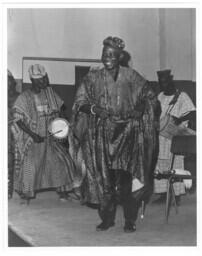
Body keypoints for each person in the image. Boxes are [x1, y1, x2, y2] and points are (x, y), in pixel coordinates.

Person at [69, 36, 159, 232]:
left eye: (111, 55)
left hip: (128, 135)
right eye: (104, 54)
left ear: (119, 57)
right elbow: (79, 103)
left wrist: (141, 109)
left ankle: (129, 220)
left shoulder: (132, 76)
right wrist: (94, 110)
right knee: (105, 181)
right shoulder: (92, 78)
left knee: (126, 181)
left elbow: (150, 97)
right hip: (102, 135)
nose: (107, 58)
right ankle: (107, 219)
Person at [11, 64, 81, 203]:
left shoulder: (50, 92)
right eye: (40, 80)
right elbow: (18, 119)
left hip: (51, 136)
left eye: (44, 78)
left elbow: (60, 112)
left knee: (62, 163)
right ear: (33, 80)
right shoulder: (24, 97)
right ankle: (26, 196)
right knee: (31, 167)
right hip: (33, 138)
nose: (44, 81)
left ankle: (63, 193)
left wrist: (62, 128)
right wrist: (32, 134)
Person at [153, 69, 196, 205]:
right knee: (160, 164)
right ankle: (163, 194)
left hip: (175, 137)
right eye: (161, 83)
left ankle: (176, 195)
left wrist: (179, 118)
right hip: (160, 135)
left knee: (175, 163)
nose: (164, 85)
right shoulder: (160, 96)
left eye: (166, 82)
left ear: (171, 81)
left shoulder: (181, 96)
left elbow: (192, 113)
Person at [8, 70, 19, 199]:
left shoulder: (18, 97)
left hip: (14, 132)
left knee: (11, 162)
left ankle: (8, 190)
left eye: (8, 80)